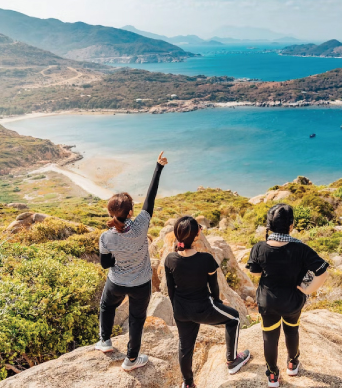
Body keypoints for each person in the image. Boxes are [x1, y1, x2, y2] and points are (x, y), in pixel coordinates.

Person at [95, 151, 168, 372]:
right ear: (131, 212)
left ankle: (105, 341)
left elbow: (106, 265)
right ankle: (132, 359)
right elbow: (150, 199)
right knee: (137, 319)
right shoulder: (141, 226)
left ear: (109, 212)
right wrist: (158, 167)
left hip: (117, 281)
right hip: (141, 283)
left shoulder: (106, 236)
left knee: (107, 306)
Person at [247, 204, 329, 388]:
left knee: (270, 337)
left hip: (267, 302)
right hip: (293, 301)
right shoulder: (302, 249)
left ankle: (273, 375)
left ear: (269, 225)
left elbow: (255, 273)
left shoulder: (259, 247)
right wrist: (307, 290)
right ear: (291, 225)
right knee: (292, 330)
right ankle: (292, 363)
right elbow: (322, 272)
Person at [164, 216, 251, 388]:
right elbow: (214, 286)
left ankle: (188, 383)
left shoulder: (170, 259)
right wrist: (217, 303)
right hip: (203, 309)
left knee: (185, 346)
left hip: (181, 310)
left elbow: (171, 289)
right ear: (196, 236)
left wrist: (178, 311)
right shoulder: (206, 259)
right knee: (233, 318)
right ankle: (233, 360)